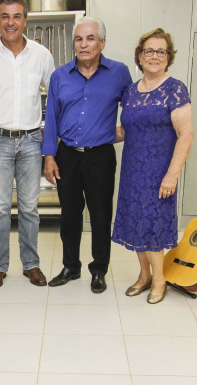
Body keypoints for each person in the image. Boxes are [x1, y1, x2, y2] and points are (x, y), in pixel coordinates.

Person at [0, 0, 55, 290]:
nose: (11, 22)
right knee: (0, 208)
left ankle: (31, 264)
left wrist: (50, 145)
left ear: (25, 20)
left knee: (30, 207)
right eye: (5, 16)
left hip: (31, 141)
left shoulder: (41, 55)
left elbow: (55, 101)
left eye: (17, 16)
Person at [43, 16, 132, 294]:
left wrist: (118, 132)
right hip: (66, 154)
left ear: (102, 42)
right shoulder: (59, 76)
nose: (84, 44)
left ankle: (99, 270)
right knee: (70, 215)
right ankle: (71, 266)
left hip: (100, 157)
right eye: (79, 39)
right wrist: (49, 156)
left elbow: (133, 110)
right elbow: (51, 119)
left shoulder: (119, 73)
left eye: (90, 38)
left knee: (101, 215)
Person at [112, 28, 194, 304]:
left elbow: (186, 134)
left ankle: (160, 280)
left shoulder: (174, 89)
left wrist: (172, 175)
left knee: (153, 226)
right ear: (140, 56)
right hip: (133, 170)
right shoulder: (131, 92)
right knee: (136, 222)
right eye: (149, 50)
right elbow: (126, 131)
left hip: (160, 171)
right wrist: (89, 133)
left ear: (168, 57)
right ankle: (144, 275)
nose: (154, 56)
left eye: (161, 51)